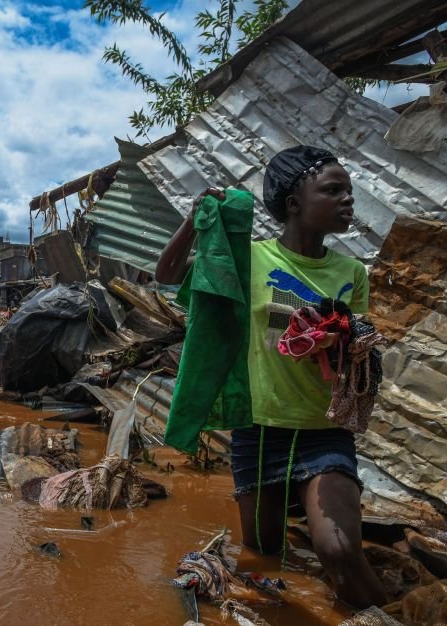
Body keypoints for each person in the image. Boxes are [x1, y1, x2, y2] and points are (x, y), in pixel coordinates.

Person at [155, 145, 387, 609]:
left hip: (325, 431)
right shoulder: (249, 258)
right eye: (333, 190)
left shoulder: (352, 272)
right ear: (294, 202)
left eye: (349, 192)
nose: (348, 201)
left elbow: (358, 350)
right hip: (258, 431)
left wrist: (341, 337)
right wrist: (196, 219)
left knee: (339, 551)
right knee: (263, 553)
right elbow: (168, 274)